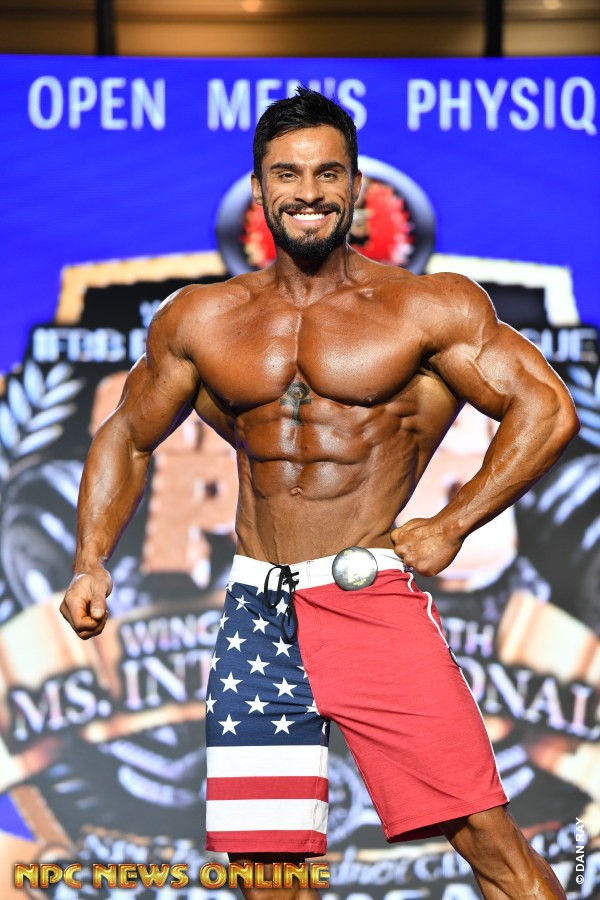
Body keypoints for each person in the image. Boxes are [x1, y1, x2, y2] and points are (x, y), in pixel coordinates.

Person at [61, 87, 577, 899]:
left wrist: (454, 522)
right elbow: (125, 434)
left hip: (367, 598)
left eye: (328, 173)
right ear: (259, 188)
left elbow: (545, 409)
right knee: (266, 871)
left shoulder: (425, 306)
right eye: (288, 174)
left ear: (357, 186)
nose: (309, 192)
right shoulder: (201, 318)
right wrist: (90, 561)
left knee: (487, 839)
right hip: (256, 612)